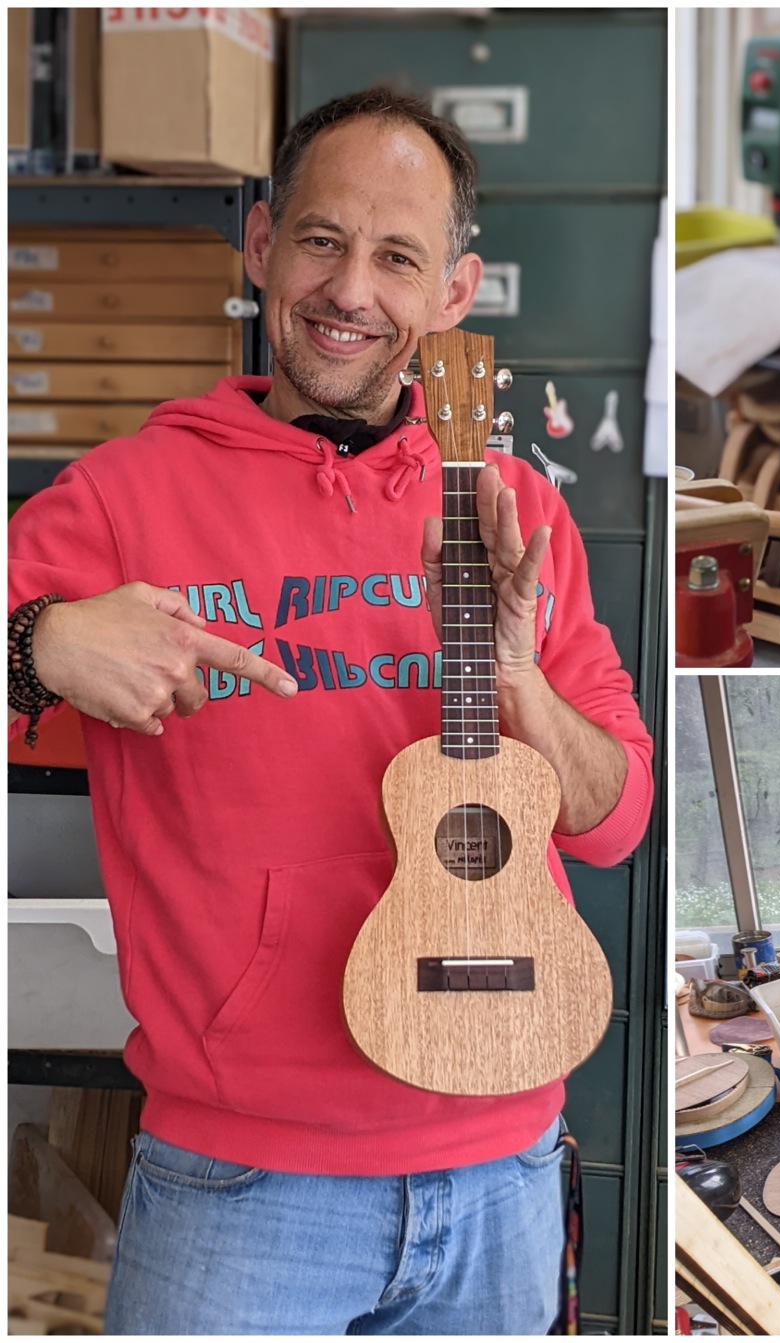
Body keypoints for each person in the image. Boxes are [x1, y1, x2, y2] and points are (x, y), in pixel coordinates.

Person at [6, 87, 654, 1335]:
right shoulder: (125, 496)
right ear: (259, 245)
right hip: (239, 1187)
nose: (350, 287)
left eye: (396, 255)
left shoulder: (515, 508)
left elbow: (613, 821)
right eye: (319, 239)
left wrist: (517, 673)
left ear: (453, 293)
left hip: (504, 1165)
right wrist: (45, 640)